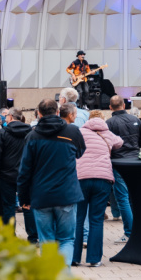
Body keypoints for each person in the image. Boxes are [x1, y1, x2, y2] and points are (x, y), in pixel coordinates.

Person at [17, 98, 85, 267]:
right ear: (57, 112)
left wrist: (24, 199)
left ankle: (53, 277)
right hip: (66, 194)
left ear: (38, 114)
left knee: (46, 240)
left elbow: (24, 171)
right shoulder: (72, 132)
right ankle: (63, 274)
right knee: (67, 239)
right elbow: (80, 153)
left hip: (41, 196)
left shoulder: (32, 136)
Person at [75, 109, 122, 266]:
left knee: (78, 218)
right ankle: (94, 259)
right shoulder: (107, 133)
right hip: (103, 179)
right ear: (103, 119)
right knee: (96, 220)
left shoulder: (80, 132)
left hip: (81, 178)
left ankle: (74, 258)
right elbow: (120, 143)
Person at [106, 95, 141, 244]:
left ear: (110, 107)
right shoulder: (135, 120)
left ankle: (129, 232)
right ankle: (140, 230)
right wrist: (135, 148)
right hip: (135, 161)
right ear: (124, 105)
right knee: (134, 196)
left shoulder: (109, 123)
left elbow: (107, 143)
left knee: (122, 198)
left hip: (118, 163)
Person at [0, 108, 37, 243]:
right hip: (26, 174)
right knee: (27, 205)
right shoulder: (30, 132)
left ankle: (10, 237)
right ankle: (33, 237)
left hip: (6, 175)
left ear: (10, 117)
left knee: (8, 206)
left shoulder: (2, 133)